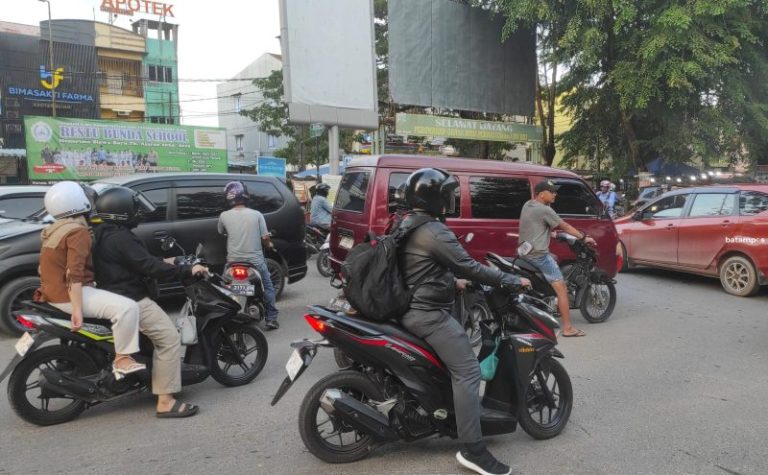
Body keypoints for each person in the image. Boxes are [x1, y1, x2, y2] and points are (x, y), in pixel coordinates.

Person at [397, 168, 531, 475]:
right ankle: (473, 450)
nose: (450, 200)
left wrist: (453, 283)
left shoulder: (407, 223)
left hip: (410, 306)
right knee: (469, 371)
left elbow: (420, 268)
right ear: (433, 198)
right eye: (447, 195)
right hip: (427, 314)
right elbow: (470, 266)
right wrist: (510, 279)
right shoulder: (433, 230)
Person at [91, 186, 206, 418]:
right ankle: (165, 401)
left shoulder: (103, 233)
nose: (138, 213)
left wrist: (168, 260)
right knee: (169, 339)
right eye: (133, 209)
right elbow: (149, 268)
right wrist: (186, 270)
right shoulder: (121, 237)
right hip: (131, 298)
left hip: (112, 294)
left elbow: (134, 261)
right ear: (121, 211)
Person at [36, 181, 145, 376]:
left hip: (50, 292)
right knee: (128, 308)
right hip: (68, 295)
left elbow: (43, 267)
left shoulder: (55, 229)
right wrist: (77, 309)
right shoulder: (78, 232)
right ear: (78, 202)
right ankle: (122, 359)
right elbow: (73, 274)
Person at [518, 180, 597, 338]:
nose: (555, 194)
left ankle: (548, 299)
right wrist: (584, 237)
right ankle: (568, 329)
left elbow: (536, 225)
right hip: (538, 256)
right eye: (552, 192)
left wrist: (552, 234)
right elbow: (565, 226)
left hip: (524, 252)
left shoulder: (528, 204)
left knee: (554, 258)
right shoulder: (544, 210)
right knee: (562, 288)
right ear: (542, 194)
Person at [218, 181, 279, 330]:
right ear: (244, 195)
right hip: (255, 262)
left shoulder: (224, 216)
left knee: (224, 288)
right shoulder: (257, 214)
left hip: (232, 263)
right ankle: (271, 319)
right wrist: (269, 245)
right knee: (268, 287)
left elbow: (221, 232)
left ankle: (223, 316)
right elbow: (265, 238)